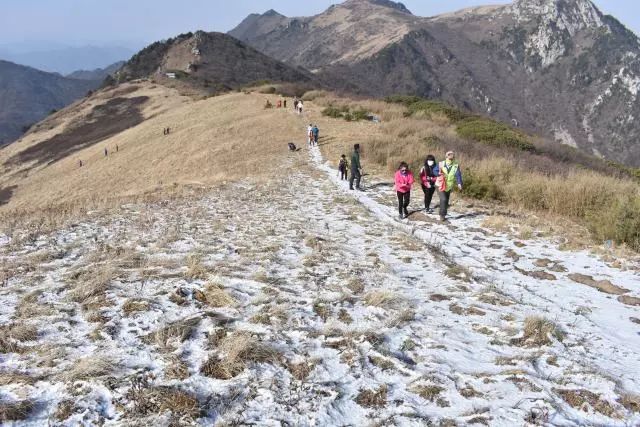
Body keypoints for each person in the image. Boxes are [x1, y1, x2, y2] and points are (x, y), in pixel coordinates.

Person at [436, 151, 463, 222]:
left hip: (448, 186)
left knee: (446, 201)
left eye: (452, 155)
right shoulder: (441, 163)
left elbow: (458, 175)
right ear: (446, 156)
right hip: (440, 184)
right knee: (443, 199)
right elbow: (434, 170)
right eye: (449, 155)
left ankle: (444, 214)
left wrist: (459, 183)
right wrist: (438, 173)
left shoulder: (455, 165)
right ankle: (442, 215)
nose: (451, 156)